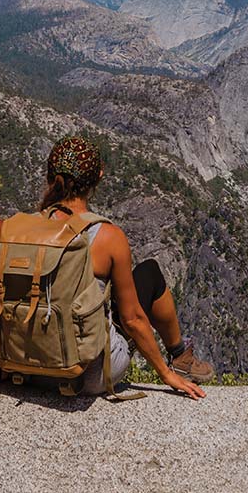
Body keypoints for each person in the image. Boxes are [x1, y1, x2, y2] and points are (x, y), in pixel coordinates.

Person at [39, 136, 212, 399]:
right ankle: (179, 358)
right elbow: (132, 320)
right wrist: (165, 374)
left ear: (51, 176)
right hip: (89, 375)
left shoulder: (24, 227)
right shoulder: (107, 236)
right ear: (98, 176)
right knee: (149, 273)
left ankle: (180, 356)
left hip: (32, 369)